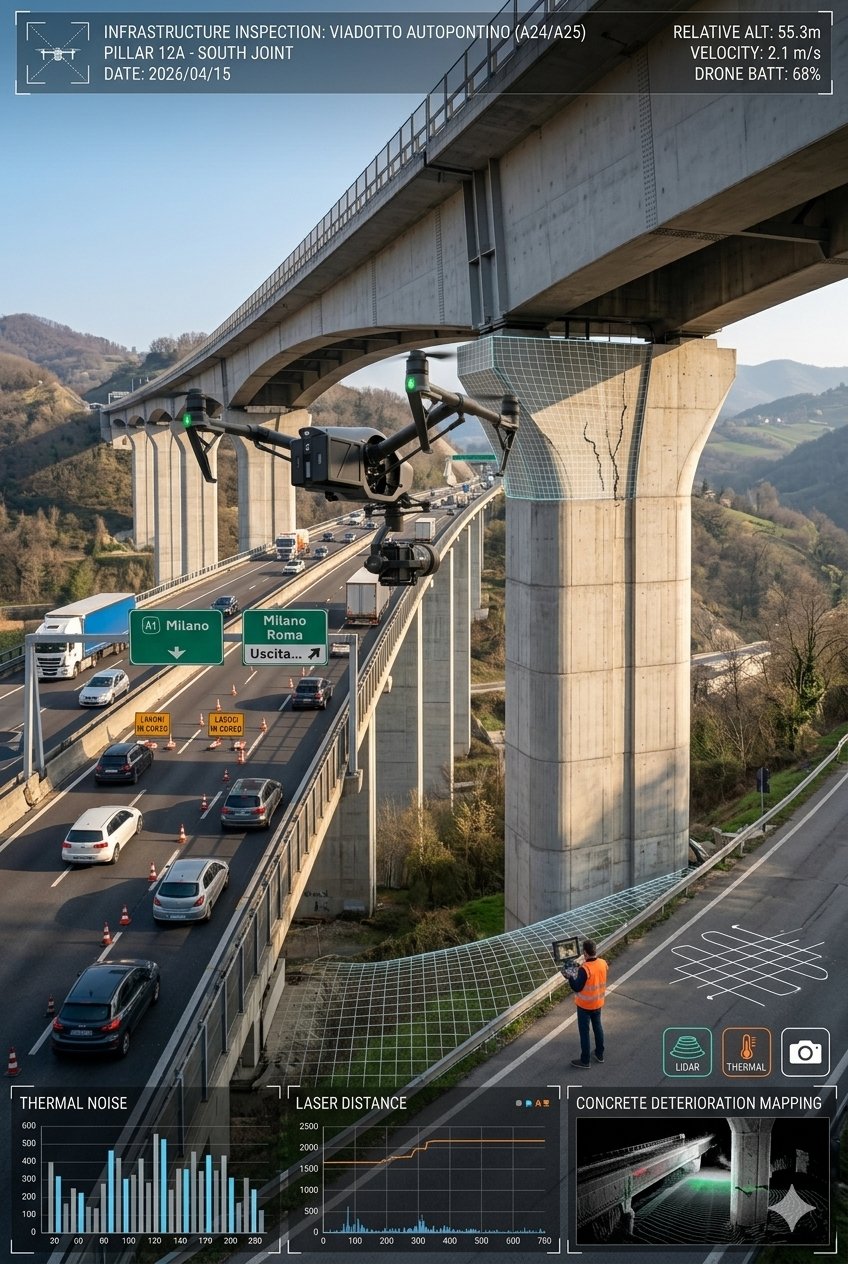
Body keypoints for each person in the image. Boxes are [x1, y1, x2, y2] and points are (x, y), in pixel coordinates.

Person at [566, 938, 607, 1068]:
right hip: (598, 1002)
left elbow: (577, 987)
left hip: (585, 1006)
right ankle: (599, 1054)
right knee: (598, 1027)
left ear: (585, 953)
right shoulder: (603, 963)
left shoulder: (585, 969)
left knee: (585, 1033)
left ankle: (585, 1060)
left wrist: (570, 977)